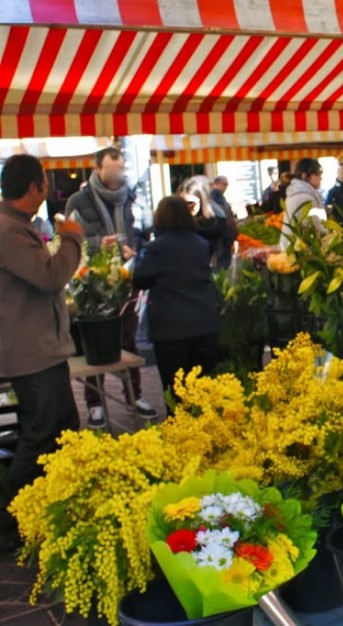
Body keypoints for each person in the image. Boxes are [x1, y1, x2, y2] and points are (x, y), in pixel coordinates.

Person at [0, 155, 83, 550]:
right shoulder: (8, 231)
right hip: (30, 353)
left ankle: (51, 507)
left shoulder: (16, 227)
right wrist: (72, 239)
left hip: (40, 350)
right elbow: (50, 277)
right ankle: (10, 516)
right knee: (41, 433)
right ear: (34, 187)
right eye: (45, 184)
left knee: (63, 428)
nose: (46, 191)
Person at [65, 147, 157, 426]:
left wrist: (134, 249)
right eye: (113, 169)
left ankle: (134, 397)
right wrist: (97, 245)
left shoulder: (132, 197)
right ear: (98, 170)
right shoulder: (78, 201)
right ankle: (95, 404)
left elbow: (142, 230)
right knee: (94, 346)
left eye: (122, 169)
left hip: (125, 279)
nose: (119, 175)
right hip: (91, 283)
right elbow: (68, 239)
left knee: (128, 339)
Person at [133, 196, 220, 397]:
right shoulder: (202, 244)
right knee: (205, 390)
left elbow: (140, 281)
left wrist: (136, 260)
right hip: (204, 322)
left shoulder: (156, 248)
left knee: (175, 392)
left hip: (170, 328)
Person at [179, 176, 227, 269]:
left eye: (190, 203)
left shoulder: (213, 220)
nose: (186, 207)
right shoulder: (176, 221)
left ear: (201, 200)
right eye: (182, 203)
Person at [279, 158, 325, 249]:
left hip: (290, 246)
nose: (321, 177)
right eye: (317, 174)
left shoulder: (295, 193)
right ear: (304, 176)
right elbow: (316, 228)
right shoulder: (306, 198)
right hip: (299, 251)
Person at [209, 176, 237, 269]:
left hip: (224, 241)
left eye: (227, 185)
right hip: (221, 242)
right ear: (216, 184)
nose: (226, 187)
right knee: (221, 268)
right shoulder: (215, 198)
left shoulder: (219, 198)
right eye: (224, 184)